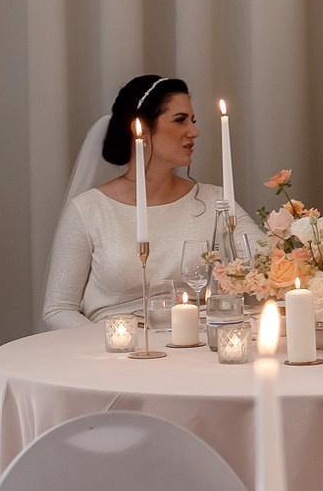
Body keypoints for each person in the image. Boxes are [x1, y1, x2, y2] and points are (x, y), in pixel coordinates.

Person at [43, 74, 248, 329]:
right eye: (180, 120)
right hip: (112, 354)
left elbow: (264, 262)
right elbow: (58, 308)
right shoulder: (89, 210)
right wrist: (113, 343)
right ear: (141, 128)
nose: (194, 131)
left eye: (192, 120)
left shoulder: (216, 201)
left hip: (194, 348)